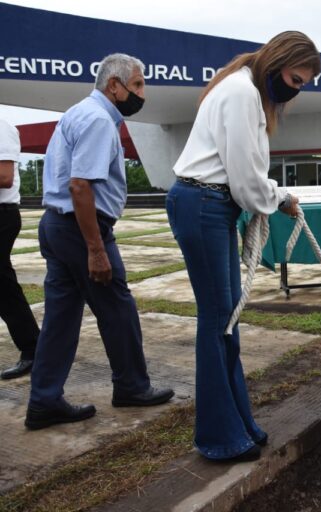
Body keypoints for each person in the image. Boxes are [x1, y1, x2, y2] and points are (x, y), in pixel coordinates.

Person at [168, 31, 319, 462]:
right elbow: (246, 177)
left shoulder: (245, 89)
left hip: (212, 204)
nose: (295, 88)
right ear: (278, 62)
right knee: (218, 320)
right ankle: (219, 437)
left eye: (302, 83)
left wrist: (268, 194)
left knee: (227, 319)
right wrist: (279, 198)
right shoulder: (241, 93)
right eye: (296, 78)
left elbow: (247, 173)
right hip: (204, 204)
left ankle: (238, 423)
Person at [25, 54, 174, 430]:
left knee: (60, 318)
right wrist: (96, 249)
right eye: (137, 85)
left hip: (57, 226)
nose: (142, 93)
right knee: (118, 310)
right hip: (80, 229)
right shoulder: (97, 120)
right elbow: (80, 185)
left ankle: (44, 400)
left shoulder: (79, 112)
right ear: (114, 85)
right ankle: (132, 387)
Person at [0, 119, 39, 380]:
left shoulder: (1, 125)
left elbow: (4, 177)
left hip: (2, 216)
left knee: (3, 286)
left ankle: (33, 348)